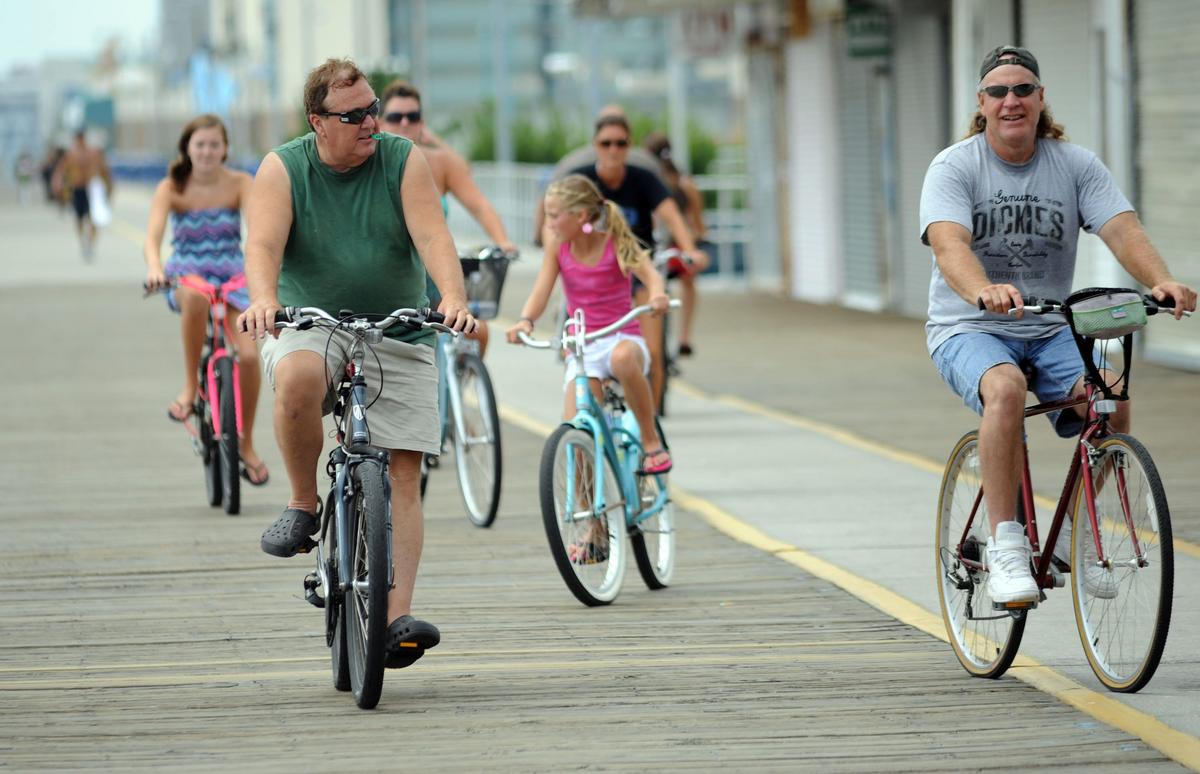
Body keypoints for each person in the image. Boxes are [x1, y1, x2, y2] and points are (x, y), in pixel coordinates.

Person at [920, 45, 1196, 605]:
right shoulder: (955, 166)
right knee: (1005, 390)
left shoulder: (1075, 165)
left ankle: (1076, 533)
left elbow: (1122, 229)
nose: (1011, 100)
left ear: (1041, 99)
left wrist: (1161, 280)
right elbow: (950, 245)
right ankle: (1006, 545)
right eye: (998, 91)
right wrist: (982, 290)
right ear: (982, 103)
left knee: (1110, 400)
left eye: (1023, 89)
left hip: (1049, 326)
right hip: (969, 326)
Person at [237, 58, 476, 666]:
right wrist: (265, 300)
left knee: (402, 471)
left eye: (374, 108)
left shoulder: (402, 159)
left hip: (398, 326)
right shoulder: (283, 168)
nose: (373, 121)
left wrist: (451, 297)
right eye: (355, 115)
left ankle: (395, 617)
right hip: (313, 322)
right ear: (318, 122)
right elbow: (262, 243)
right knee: (293, 377)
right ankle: (302, 505)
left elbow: (433, 237)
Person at [507, 174, 672, 558]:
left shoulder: (616, 241)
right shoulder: (559, 249)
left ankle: (650, 440)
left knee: (624, 359)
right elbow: (542, 291)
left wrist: (659, 294)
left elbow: (650, 275)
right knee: (577, 437)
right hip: (583, 345)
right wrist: (525, 320)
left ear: (580, 214)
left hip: (621, 335)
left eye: (554, 215)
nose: (547, 223)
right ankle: (595, 527)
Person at [142, 114, 269, 486]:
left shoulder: (241, 183)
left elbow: (262, 228)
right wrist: (154, 268)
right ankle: (187, 386)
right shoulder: (171, 187)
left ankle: (245, 443)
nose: (208, 151)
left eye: (215, 144)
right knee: (195, 299)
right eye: (200, 144)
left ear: (225, 148)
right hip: (188, 270)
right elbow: (153, 238)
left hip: (233, 273)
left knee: (247, 355)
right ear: (187, 148)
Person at [558, 115, 708, 413]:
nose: (613, 150)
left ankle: (649, 420)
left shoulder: (643, 178)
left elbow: (672, 216)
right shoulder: (583, 179)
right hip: (597, 275)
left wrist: (689, 249)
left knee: (652, 349)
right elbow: (555, 206)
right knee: (580, 352)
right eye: (606, 143)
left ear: (630, 146)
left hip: (636, 267)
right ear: (595, 145)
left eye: (620, 143)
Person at [379, 79, 518, 354]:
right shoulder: (372, 162)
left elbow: (479, 206)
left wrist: (503, 241)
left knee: (478, 331)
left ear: (422, 123)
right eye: (396, 117)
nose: (405, 123)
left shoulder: (442, 163)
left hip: (434, 277)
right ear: (381, 122)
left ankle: (461, 386)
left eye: (413, 117)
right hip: (391, 280)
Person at [643, 131, 711, 357]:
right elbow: (698, 222)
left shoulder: (647, 182)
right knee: (688, 283)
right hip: (680, 247)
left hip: (659, 246)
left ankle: (652, 334)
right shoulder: (686, 183)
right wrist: (695, 239)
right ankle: (685, 336)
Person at [52, 130, 112, 261]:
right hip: (77, 189)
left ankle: (90, 244)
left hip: (92, 189)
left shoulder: (93, 153)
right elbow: (61, 171)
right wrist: (58, 184)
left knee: (93, 219)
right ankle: (83, 242)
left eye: (81, 139)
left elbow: (104, 170)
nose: (79, 142)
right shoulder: (71, 155)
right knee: (79, 219)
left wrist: (109, 188)